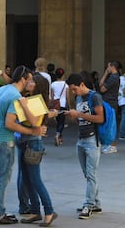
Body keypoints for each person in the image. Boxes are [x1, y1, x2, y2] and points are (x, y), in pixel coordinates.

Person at [0, 65, 47, 225]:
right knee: (1, 179)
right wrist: (32, 131)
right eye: (30, 79)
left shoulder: (2, 89)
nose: (31, 82)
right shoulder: (14, 96)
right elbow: (10, 123)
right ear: (23, 79)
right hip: (3, 140)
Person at [16, 74, 58, 226]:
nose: (28, 82)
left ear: (38, 85)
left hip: (33, 143)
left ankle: (49, 211)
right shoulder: (29, 98)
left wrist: (24, 105)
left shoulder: (37, 101)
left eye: (32, 81)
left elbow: (35, 122)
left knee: (35, 180)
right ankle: (34, 211)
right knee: (26, 179)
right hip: (23, 141)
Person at [65, 73, 104, 220]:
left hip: (92, 140)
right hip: (81, 139)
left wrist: (79, 114)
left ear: (82, 84)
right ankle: (96, 203)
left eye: (75, 89)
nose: (74, 92)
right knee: (88, 174)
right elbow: (80, 120)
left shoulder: (95, 97)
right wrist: (74, 116)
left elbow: (100, 118)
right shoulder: (79, 98)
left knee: (91, 174)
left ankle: (88, 204)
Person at [98, 60, 120, 154]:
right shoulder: (114, 77)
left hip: (110, 103)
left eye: (108, 67)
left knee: (111, 124)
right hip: (109, 102)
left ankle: (112, 145)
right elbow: (100, 85)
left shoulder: (113, 77)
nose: (107, 68)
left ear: (112, 66)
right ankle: (109, 144)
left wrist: (105, 74)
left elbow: (102, 89)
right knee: (109, 124)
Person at [51, 68, 69, 146]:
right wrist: (69, 106)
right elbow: (67, 97)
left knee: (58, 122)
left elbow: (52, 96)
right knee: (61, 122)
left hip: (55, 105)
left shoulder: (53, 84)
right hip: (62, 105)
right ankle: (58, 135)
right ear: (63, 75)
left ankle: (60, 138)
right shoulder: (66, 85)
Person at [118, 71, 125, 140]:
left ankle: (122, 134)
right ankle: (122, 134)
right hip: (124, 100)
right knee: (124, 117)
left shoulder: (119, 78)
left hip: (120, 100)